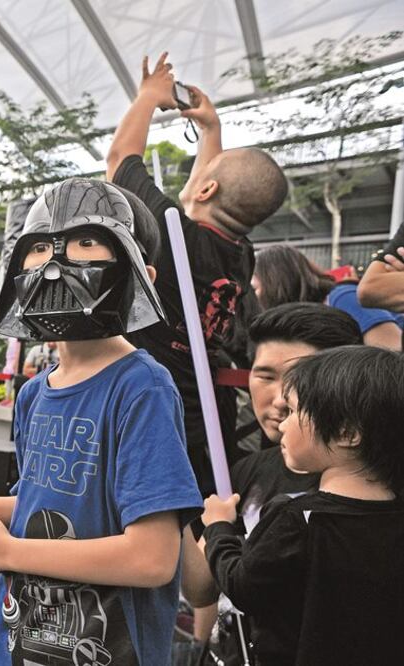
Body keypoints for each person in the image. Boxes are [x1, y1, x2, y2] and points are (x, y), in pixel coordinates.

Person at [0, 178, 203, 665]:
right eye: (42, 245)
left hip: (108, 648)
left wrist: (7, 554)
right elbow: (40, 502)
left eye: (86, 243)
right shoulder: (33, 393)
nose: (55, 263)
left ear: (140, 273)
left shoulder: (141, 387)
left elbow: (153, 557)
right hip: (20, 638)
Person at [107, 52, 288, 496]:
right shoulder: (240, 254)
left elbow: (118, 161)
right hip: (204, 409)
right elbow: (199, 197)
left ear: (206, 187)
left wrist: (148, 97)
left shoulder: (173, 234)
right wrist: (211, 129)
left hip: (150, 402)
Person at [179, 303, 362, 664]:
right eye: (265, 377)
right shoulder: (242, 472)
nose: (280, 399)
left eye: (300, 379)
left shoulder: (370, 485)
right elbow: (200, 589)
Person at [201, 345, 404, 665]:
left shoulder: (297, 518)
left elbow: (243, 585)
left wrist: (219, 529)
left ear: (346, 432)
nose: (283, 423)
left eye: (294, 411)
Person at [253, 244, 402, 350]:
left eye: (255, 289)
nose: (254, 297)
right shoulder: (306, 321)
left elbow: (392, 351)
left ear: (276, 284)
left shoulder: (343, 297)